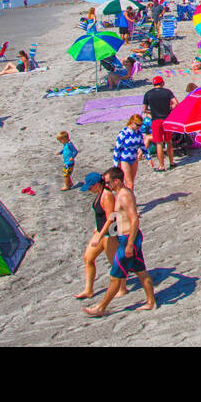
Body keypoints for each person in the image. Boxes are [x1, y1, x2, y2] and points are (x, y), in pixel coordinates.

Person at [83, 167, 155, 316]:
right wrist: (100, 232)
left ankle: (100, 308)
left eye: (108, 182)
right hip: (126, 238)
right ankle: (151, 302)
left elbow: (134, 220)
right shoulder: (119, 194)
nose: (106, 185)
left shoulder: (123, 196)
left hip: (129, 239)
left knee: (115, 276)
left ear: (117, 181)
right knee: (141, 272)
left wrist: (129, 244)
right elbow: (114, 217)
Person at [75, 171, 119, 300]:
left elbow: (111, 218)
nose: (89, 190)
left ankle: (122, 288)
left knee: (115, 264)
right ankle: (88, 290)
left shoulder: (107, 196)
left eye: (90, 187)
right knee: (88, 258)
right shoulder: (99, 194)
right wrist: (96, 228)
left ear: (97, 185)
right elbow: (100, 215)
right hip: (101, 231)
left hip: (109, 233)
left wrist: (100, 236)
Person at [142, 76, 177, 172]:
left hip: (156, 120)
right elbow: (175, 103)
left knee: (159, 143)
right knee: (169, 141)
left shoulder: (148, 94)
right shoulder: (167, 92)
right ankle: (172, 162)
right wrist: (170, 109)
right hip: (166, 118)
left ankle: (162, 166)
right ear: (162, 83)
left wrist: (151, 112)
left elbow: (144, 109)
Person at [113, 114, 146, 190]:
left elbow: (142, 145)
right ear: (131, 122)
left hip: (134, 158)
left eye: (141, 125)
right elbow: (117, 149)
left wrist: (148, 157)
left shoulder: (138, 133)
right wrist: (115, 164)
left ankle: (128, 199)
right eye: (138, 125)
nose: (139, 127)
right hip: (124, 159)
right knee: (129, 183)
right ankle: (129, 200)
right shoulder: (123, 133)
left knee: (131, 183)